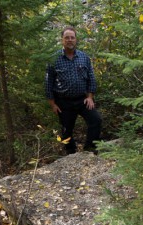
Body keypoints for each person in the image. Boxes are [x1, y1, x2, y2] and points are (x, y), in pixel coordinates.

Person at [45, 26, 102, 154]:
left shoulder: (84, 57)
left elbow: (91, 78)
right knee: (66, 130)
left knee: (96, 120)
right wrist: (53, 104)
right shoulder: (54, 59)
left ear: (76, 40)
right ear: (62, 40)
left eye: (72, 37)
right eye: (67, 38)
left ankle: (90, 149)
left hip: (83, 99)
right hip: (63, 102)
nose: (70, 40)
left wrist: (90, 97)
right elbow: (48, 83)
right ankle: (71, 153)